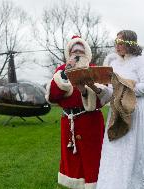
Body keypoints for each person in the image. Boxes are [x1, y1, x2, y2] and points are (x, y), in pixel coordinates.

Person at [45, 36, 112, 189]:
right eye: (74, 51)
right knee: (72, 160)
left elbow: (103, 100)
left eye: (81, 51)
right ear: (68, 53)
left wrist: (84, 91)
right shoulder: (60, 70)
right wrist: (65, 72)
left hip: (90, 122)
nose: (77, 54)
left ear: (86, 52)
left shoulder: (94, 69)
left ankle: (96, 185)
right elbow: (53, 97)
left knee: (93, 158)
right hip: (69, 122)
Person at [96, 30, 144, 189]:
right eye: (116, 42)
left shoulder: (142, 60)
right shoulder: (114, 64)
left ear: (130, 44)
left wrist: (124, 87)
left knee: (134, 154)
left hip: (135, 112)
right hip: (116, 112)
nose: (117, 46)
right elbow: (111, 92)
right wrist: (97, 89)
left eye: (121, 43)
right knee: (114, 154)